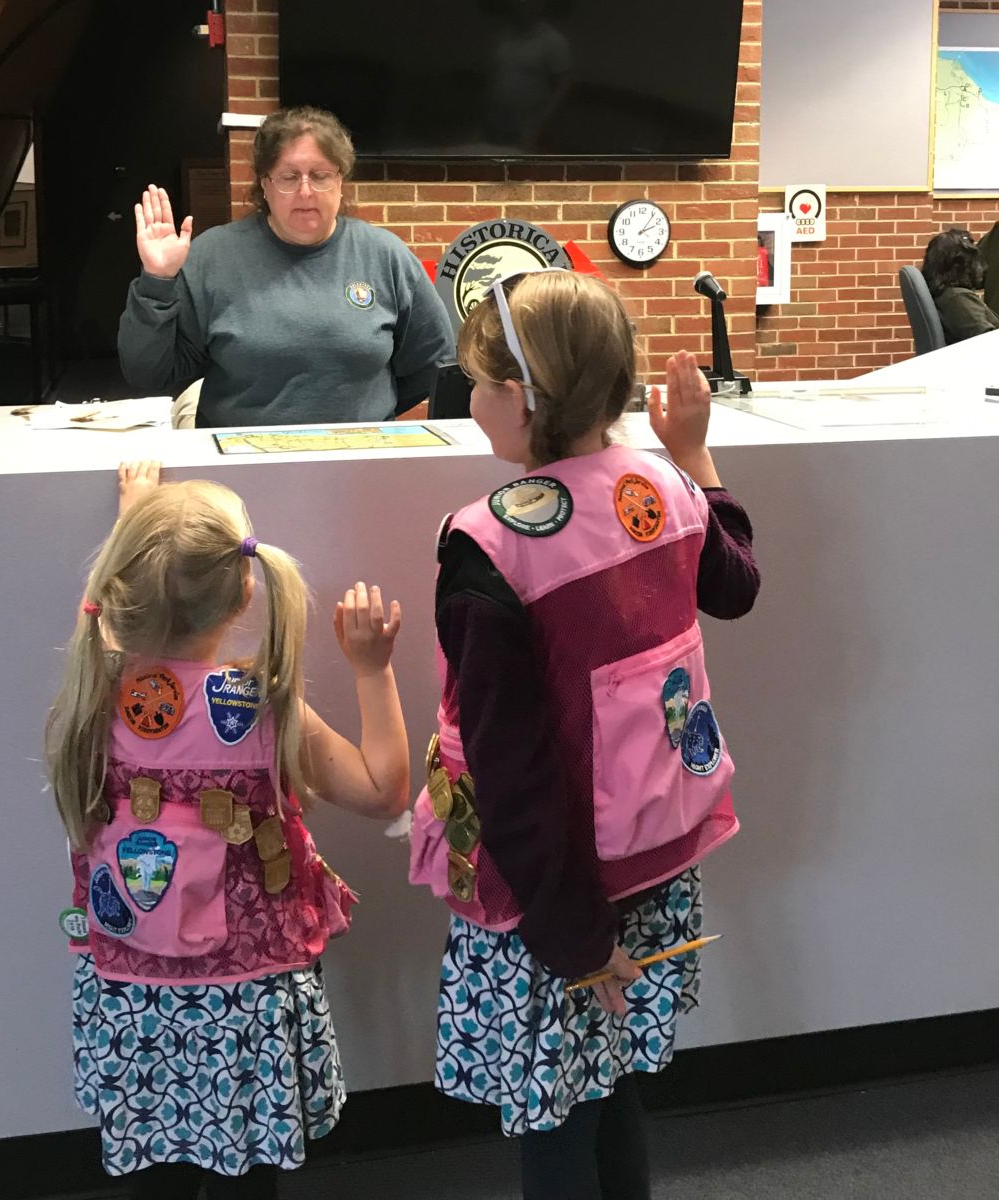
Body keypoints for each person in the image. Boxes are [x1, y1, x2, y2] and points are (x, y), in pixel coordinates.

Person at [408, 270, 761, 1199]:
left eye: (477, 382)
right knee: (609, 1087)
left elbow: (510, 769)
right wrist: (696, 455)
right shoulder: (663, 486)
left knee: (555, 1118)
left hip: (552, 897)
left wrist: (570, 937)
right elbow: (736, 585)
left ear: (520, 402)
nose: (470, 398)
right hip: (657, 858)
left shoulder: (488, 547)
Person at [46, 461, 410, 1197]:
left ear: (125, 586)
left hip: (130, 990)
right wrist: (372, 669)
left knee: (155, 1172)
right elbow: (382, 789)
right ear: (248, 588)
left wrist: (140, 519)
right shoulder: (260, 706)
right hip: (248, 998)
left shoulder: (98, 690)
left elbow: (133, 616)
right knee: (250, 1173)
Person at [117, 107, 455, 428]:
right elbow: (148, 373)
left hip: (358, 460)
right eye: (288, 177)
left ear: (341, 181)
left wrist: (368, 414)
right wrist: (157, 281)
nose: (305, 191)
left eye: (320, 176)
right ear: (265, 184)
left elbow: (433, 362)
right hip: (240, 464)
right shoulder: (212, 257)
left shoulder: (385, 255)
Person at [920, 227, 999, 344]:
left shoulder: (946, 294)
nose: (982, 268)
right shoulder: (958, 300)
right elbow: (988, 343)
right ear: (959, 266)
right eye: (974, 262)